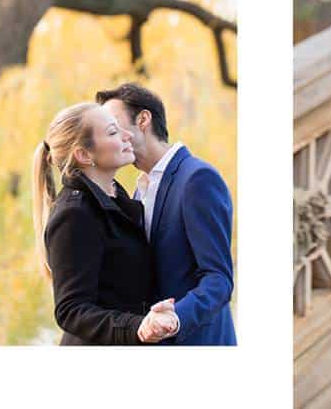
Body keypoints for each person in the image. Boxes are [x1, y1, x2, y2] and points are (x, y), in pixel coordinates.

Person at [97, 83, 236, 345]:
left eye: (114, 126)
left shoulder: (197, 179)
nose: (111, 137)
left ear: (143, 119)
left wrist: (177, 317)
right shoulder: (138, 190)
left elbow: (219, 279)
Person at [32, 102, 178, 345]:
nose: (127, 135)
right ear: (84, 154)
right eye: (112, 132)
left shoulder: (116, 197)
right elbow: (71, 310)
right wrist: (139, 326)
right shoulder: (74, 215)